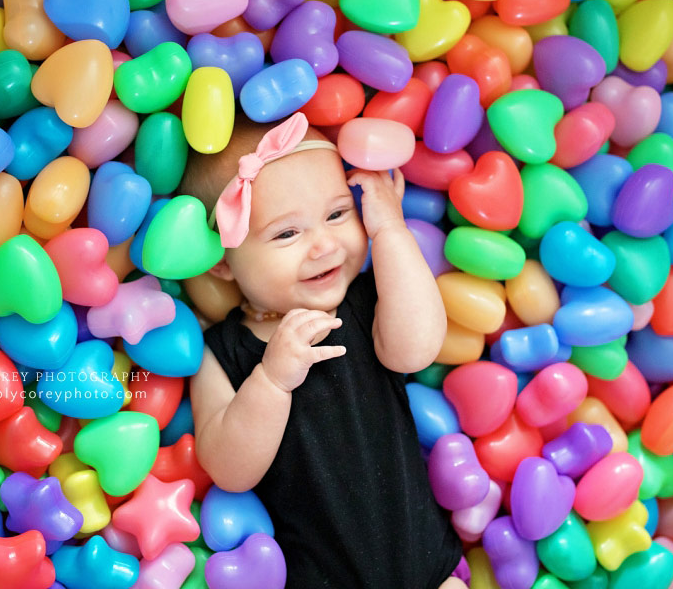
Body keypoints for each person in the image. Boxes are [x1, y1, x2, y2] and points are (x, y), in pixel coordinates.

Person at [181, 111, 465, 588]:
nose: (323, 245)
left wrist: (389, 230)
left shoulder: (366, 302)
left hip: (428, 567)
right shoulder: (223, 352)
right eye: (286, 234)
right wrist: (270, 381)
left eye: (337, 214)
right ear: (223, 264)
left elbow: (415, 350)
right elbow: (229, 469)